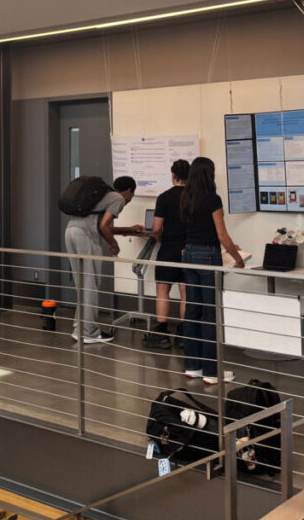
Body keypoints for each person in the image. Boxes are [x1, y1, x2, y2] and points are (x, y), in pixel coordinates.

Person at [180, 157, 244, 385]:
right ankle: (212, 371)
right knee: (210, 314)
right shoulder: (212, 199)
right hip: (208, 256)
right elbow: (221, 235)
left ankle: (193, 366)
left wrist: (228, 247)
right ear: (210, 174)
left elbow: (195, 231)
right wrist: (237, 258)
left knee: (192, 310)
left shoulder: (185, 196)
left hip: (188, 254)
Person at [64, 176, 142, 345]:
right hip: (85, 236)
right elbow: (103, 226)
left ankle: (80, 328)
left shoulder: (104, 195)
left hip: (70, 232)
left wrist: (128, 229)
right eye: (132, 195)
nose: (130, 199)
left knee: (82, 284)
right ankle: (89, 332)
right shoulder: (118, 199)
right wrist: (114, 245)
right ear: (129, 191)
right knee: (90, 284)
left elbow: (102, 225)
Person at [150, 159, 190, 350]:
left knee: (162, 290)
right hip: (189, 250)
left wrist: (160, 239)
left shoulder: (164, 197)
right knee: (186, 293)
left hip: (168, 249)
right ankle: (184, 333)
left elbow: (156, 228)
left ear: (173, 175)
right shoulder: (195, 197)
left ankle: (161, 333)